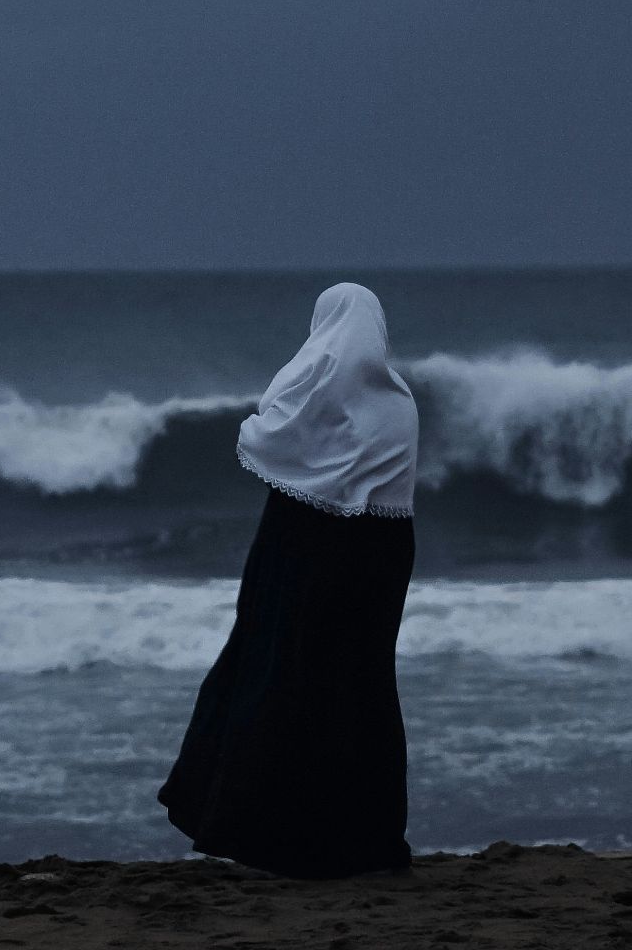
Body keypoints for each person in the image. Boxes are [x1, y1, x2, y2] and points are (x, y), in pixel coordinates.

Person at [157, 282, 420, 878]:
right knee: (363, 688)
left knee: (282, 676)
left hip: (299, 546)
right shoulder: (398, 401)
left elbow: (263, 439)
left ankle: (278, 837)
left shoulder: (307, 390)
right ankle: (368, 839)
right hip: (382, 555)